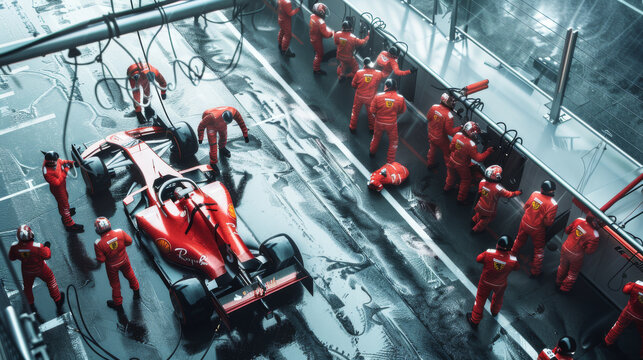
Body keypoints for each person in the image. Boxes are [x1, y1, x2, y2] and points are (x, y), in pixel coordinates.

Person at [9, 225, 65, 314]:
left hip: (27, 271)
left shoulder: (14, 247)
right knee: (50, 280)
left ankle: (31, 305)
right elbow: (47, 255)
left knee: (27, 288)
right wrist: (47, 246)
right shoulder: (38, 246)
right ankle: (58, 300)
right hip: (41, 269)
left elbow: (11, 257)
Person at [467, 235, 519, 327]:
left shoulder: (489, 253)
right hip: (500, 284)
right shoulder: (512, 260)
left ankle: (474, 320)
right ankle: (495, 312)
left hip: (485, 282)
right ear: (509, 248)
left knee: (480, 299)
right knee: (498, 298)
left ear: (497, 245)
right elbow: (516, 268)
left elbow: (478, 259)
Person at [511, 180, 558, 277]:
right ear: (552, 191)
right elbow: (548, 222)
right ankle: (535, 272)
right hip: (537, 229)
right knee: (539, 250)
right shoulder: (553, 204)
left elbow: (525, 207)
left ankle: (511, 257)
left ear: (542, 189)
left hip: (525, 222)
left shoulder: (535, 194)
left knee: (519, 240)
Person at [93, 217, 140, 311]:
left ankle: (118, 304)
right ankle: (136, 293)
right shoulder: (120, 232)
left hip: (112, 266)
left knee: (115, 284)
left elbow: (101, 260)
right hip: (124, 260)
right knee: (130, 275)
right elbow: (129, 241)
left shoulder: (98, 243)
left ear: (97, 230)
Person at [443, 121, 493, 204]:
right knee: (466, 180)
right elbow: (478, 158)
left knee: (451, 176)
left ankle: (446, 188)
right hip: (461, 166)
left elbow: (451, 147)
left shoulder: (457, 135)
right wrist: (488, 151)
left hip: (451, 160)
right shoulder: (471, 144)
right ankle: (461, 198)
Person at [197, 106, 249, 177]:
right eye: (226, 122)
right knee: (213, 145)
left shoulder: (234, 111)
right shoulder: (211, 117)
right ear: (223, 117)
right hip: (211, 124)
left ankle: (222, 147)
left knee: (224, 136)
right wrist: (200, 137)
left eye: (228, 123)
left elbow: (241, 122)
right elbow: (201, 126)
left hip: (221, 124)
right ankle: (213, 163)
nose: (227, 124)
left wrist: (245, 134)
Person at [41, 151, 84, 233]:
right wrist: (66, 169)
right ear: (50, 161)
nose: (56, 161)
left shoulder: (54, 160)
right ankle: (69, 224)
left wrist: (71, 163)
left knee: (64, 201)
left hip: (62, 187)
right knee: (64, 204)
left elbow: (61, 161)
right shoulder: (47, 172)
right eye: (55, 161)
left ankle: (64, 214)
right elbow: (58, 182)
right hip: (58, 189)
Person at [556, 216, 600, 292]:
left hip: (565, 247)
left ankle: (558, 282)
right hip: (576, 255)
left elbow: (567, 230)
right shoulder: (595, 235)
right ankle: (564, 289)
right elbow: (589, 251)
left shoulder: (579, 220)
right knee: (573, 273)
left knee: (562, 266)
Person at [471, 165, 522, 232]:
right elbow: (509, 194)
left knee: (480, 214)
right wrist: (518, 192)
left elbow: (480, 192)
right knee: (485, 220)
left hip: (479, 205)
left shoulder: (482, 182)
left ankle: (473, 221)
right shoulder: (498, 189)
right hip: (489, 210)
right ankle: (476, 230)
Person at [369, 79, 406, 163]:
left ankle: (372, 152)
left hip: (379, 122)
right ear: (395, 87)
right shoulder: (400, 98)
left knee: (376, 138)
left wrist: (377, 116)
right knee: (393, 141)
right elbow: (402, 110)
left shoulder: (378, 96)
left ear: (386, 86)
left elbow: (372, 110)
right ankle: (390, 161)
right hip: (391, 124)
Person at [604, 280, 643, 357]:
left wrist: (630, 283)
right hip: (641, 317)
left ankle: (608, 341)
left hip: (629, 311)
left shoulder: (636, 285)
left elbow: (625, 290)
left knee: (619, 325)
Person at [427, 93, 462, 169]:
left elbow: (428, 117)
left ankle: (430, 163)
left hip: (431, 134)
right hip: (441, 139)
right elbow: (450, 132)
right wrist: (460, 128)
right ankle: (449, 168)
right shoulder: (449, 115)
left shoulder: (434, 107)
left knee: (432, 149)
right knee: (447, 153)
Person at [350, 58, 384, 133]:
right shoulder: (378, 73)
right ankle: (372, 128)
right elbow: (379, 82)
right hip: (370, 97)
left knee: (355, 112)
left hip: (359, 96)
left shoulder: (359, 73)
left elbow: (353, 84)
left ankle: (352, 127)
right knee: (371, 113)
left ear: (364, 65)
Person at [309, 3, 334, 75]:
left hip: (313, 36)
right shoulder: (321, 22)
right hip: (317, 39)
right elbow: (326, 34)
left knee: (318, 52)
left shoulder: (312, 16)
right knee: (320, 54)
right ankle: (316, 69)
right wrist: (332, 33)